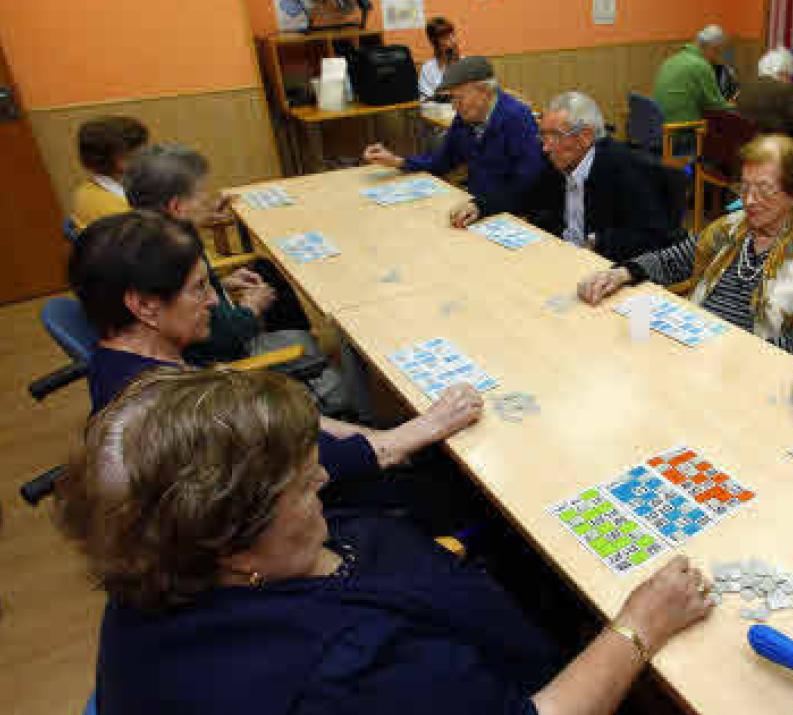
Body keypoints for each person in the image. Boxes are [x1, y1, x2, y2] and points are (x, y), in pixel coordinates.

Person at [59, 365, 713, 715]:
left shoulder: (153, 563)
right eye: (297, 483)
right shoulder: (341, 678)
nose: (320, 474)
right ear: (232, 546)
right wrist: (638, 625)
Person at [67, 210, 483, 490]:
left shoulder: (120, 362)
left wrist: (384, 436)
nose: (213, 300)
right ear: (143, 305)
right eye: (199, 288)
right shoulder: (176, 411)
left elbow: (301, 427)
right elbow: (313, 469)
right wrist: (421, 429)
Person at [577, 135, 793, 361]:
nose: (749, 201)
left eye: (764, 190)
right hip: (697, 346)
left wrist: (753, 350)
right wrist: (622, 273)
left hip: (744, 364)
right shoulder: (734, 226)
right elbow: (674, 260)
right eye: (744, 187)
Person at [124, 145, 323, 380]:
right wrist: (251, 309)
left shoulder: (155, 237)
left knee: (263, 268)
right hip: (224, 364)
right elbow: (219, 339)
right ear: (177, 207)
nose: (207, 198)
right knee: (314, 351)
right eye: (200, 192)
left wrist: (221, 282)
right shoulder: (176, 256)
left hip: (212, 341)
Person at [473, 91, 679, 263]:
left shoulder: (625, 169)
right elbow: (522, 194)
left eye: (554, 136)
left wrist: (596, 241)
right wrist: (480, 206)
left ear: (586, 136)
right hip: (564, 257)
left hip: (605, 269)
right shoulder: (556, 162)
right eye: (543, 135)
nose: (545, 147)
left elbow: (654, 236)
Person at [362, 57, 544, 228]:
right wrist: (398, 161)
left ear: (485, 92)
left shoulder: (517, 118)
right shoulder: (464, 118)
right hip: (475, 210)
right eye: (452, 98)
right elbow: (442, 161)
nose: (454, 106)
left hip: (511, 216)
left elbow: (526, 184)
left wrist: (481, 206)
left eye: (459, 98)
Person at [70, 116, 149, 229]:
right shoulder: (124, 214)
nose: (149, 154)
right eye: (143, 149)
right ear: (121, 159)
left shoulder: (83, 191)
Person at [653, 25, 732, 124]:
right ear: (713, 48)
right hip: (683, 131)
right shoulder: (701, 66)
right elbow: (716, 106)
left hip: (660, 129)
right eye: (719, 52)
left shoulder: (672, 59)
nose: (717, 58)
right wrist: (732, 106)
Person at [736, 47, 793, 136]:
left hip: (746, 138)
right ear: (782, 71)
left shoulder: (746, 85)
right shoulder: (785, 88)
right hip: (775, 141)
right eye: (789, 75)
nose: (790, 78)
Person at [418, 16, 461, 101]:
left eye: (453, 35)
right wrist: (439, 97)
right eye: (445, 38)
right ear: (435, 43)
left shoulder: (466, 64)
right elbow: (425, 100)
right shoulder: (427, 68)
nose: (453, 41)